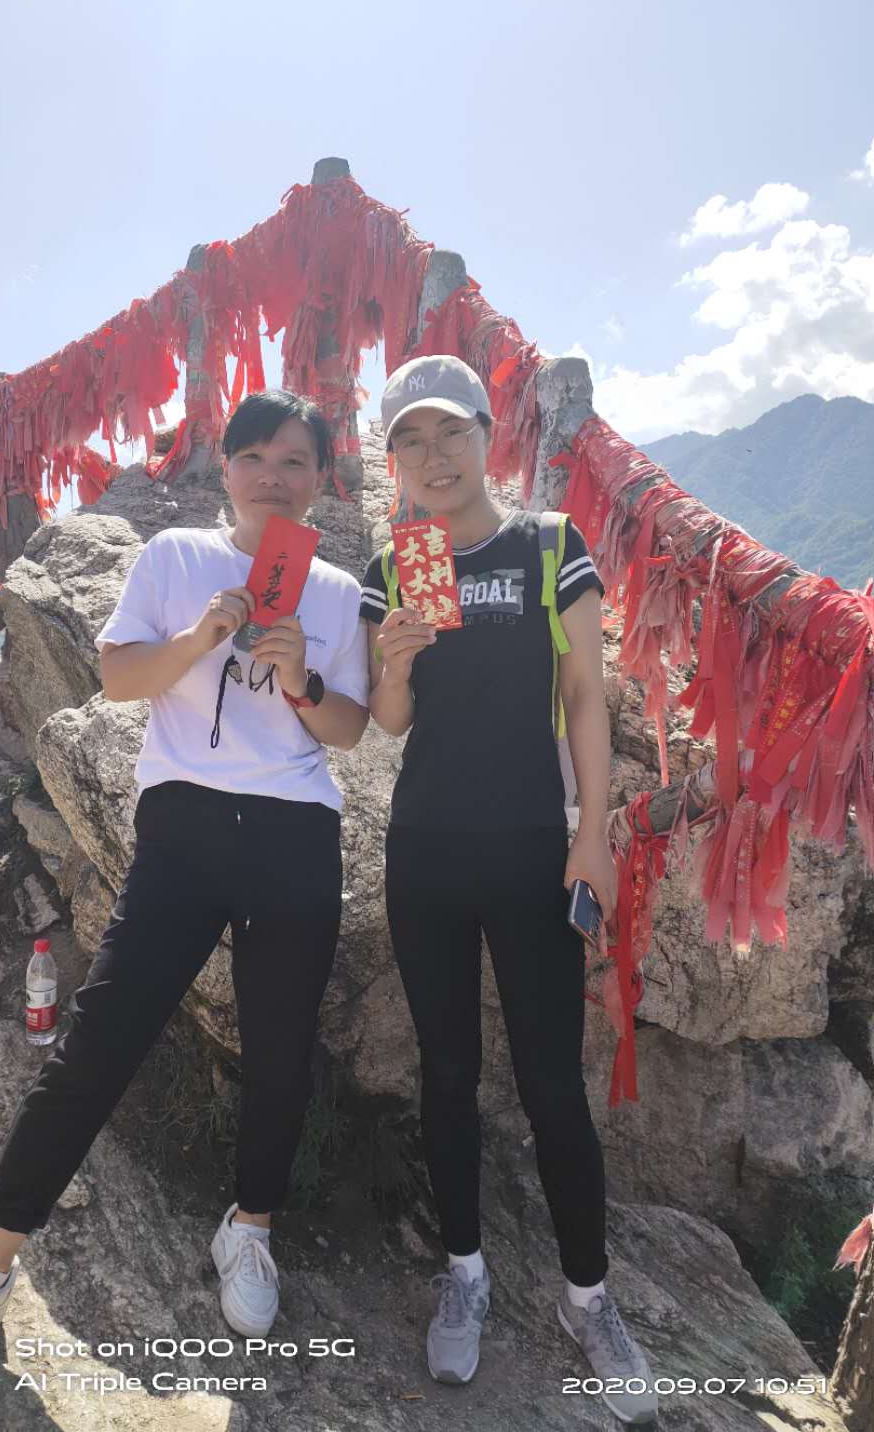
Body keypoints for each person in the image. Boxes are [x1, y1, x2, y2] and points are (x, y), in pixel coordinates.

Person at [0, 389, 370, 1363]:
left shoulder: (337, 592)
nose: (272, 477)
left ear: (320, 479)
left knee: (281, 1049)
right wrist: (200, 639)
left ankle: (250, 1229)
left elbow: (346, 729)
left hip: (296, 829)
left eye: (295, 461)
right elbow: (122, 679)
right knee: (101, 1039)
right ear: (226, 467)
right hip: (186, 823)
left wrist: (300, 676)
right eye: (255, 457)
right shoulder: (177, 558)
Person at [358, 354, 657, 1425]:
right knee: (447, 1075)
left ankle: (590, 1300)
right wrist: (395, 661)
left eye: (451, 432)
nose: (433, 456)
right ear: (394, 458)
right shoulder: (397, 563)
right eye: (410, 439)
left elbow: (585, 693)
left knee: (551, 1084)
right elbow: (390, 720)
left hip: (534, 847)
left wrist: (594, 836)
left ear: (490, 435)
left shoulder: (549, 544)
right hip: (427, 851)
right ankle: (465, 1273)